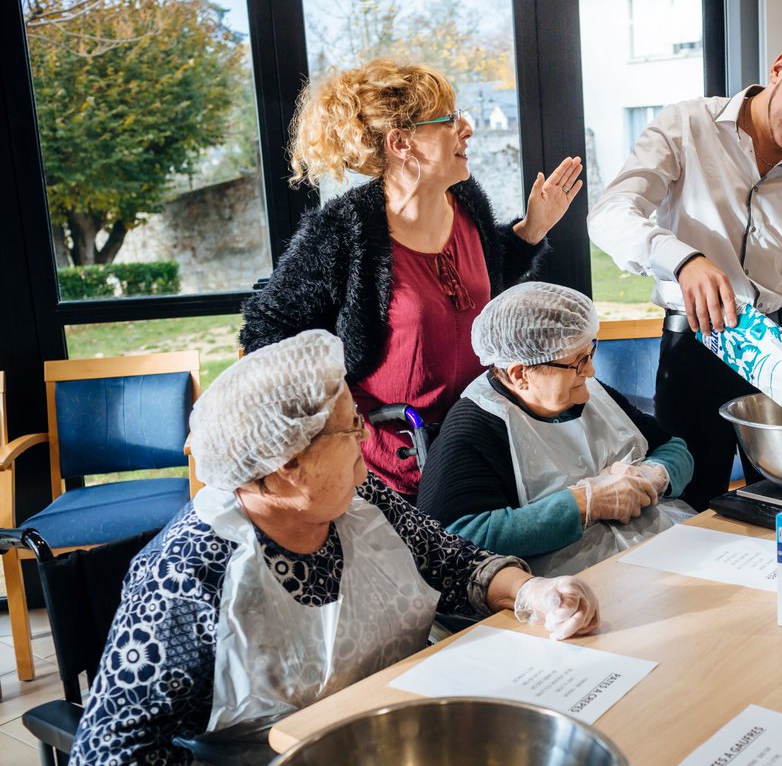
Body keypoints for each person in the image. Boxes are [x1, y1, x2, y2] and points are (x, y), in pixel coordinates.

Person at [71, 330, 600, 765]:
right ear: (283, 471)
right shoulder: (187, 576)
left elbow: (453, 562)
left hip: (399, 737)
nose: (368, 437)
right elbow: (113, 750)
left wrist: (533, 591)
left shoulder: (358, 500)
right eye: (350, 427)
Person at [239, 59, 583, 501]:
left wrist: (531, 230)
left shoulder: (468, 202)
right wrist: (335, 415)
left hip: (481, 440)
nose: (467, 129)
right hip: (393, 468)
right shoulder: (344, 232)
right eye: (449, 120)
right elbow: (266, 330)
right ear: (401, 143)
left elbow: (485, 279)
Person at [589, 20, 782, 510]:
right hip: (695, 345)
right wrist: (683, 260)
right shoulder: (685, 126)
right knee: (690, 509)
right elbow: (610, 215)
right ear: (779, 68)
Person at [417, 282, 695, 575]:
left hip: (659, 554)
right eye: (578, 362)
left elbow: (675, 449)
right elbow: (450, 538)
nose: (591, 371)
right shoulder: (475, 428)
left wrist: (652, 476)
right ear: (520, 374)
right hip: (570, 587)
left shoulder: (594, 392)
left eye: (590, 353)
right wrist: (587, 503)